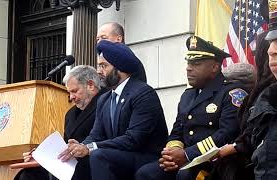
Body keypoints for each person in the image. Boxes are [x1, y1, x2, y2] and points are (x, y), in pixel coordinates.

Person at [135, 36, 247, 180]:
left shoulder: (232, 92)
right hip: (185, 159)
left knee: (185, 175)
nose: (188, 68)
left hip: (216, 161)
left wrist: (188, 154)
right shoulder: (187, 95)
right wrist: (173, 152)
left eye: (196, 63)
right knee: (146, 173)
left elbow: (227, 133)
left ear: (215, 67)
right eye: (188, 63)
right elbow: (177, 131)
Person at [58, 40, 168, 180]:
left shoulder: (143, 93)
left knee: (99, 156)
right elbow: (96, 135)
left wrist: (90, 148)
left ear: (119, 68)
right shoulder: (104, 100)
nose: (99, 71)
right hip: (121, 157)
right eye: (99, 66)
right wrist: (79, 147)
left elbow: (133, 139)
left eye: (104, 66)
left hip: (147, 158)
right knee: (70, 160)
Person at [14, 65, 104, 180]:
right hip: (66, 166)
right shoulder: (70, 114)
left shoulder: (106, 102)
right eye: (69, 93)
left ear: (90, 85)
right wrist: (41, 156)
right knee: (28, 175)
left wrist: (84, 148)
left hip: (92, 164)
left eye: (74, 91)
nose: (71, 97)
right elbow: (64, 146)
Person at [212, 31, 274, 180]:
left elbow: (259, 137)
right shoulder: (260, 92)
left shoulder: (268, 94)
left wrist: (234, 148)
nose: (270, 54)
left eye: (256, 53)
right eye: (268, 52)